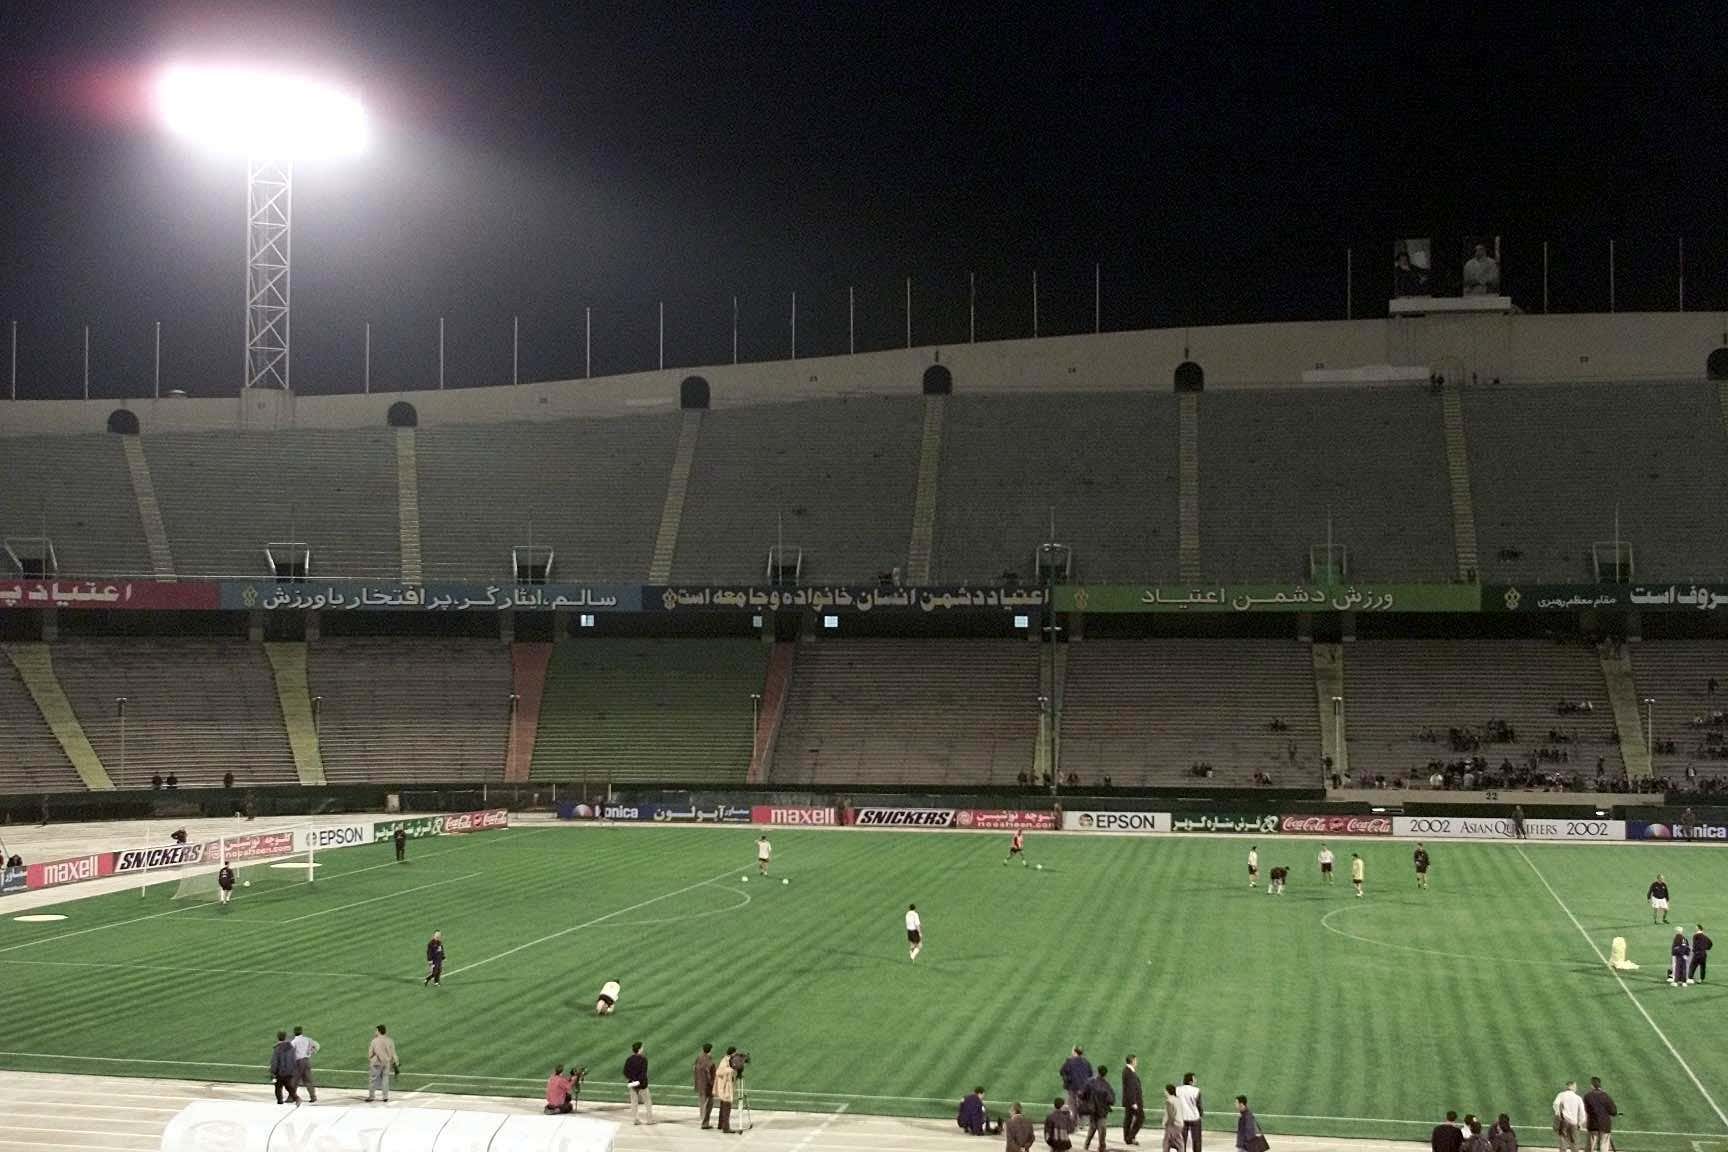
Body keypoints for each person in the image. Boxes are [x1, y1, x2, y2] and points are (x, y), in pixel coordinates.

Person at [1082, 1065, 1114, 1152]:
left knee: (1092, 1128)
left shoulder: (1090, 1082)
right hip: (1102, 1112)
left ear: (1098, 1072)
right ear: (1105, 1074)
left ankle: (1086, 1146)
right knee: (1102, 1131)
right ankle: (1101, 1148)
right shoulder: (1106, 1085)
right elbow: (1111, 1100)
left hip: (1092, 1110)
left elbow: (1083, 1094)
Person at [1582, 1077, 1616, 1152]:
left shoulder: (1588, 1096)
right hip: (1605, 1125)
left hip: (1593, 1125)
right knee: (1604, 1147)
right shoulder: (1606, 1096)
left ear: (1592, 1085)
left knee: (1590, 1147)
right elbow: (1613, 1112)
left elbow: (1586, 1110)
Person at [366, 1024, 397, 1103]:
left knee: (373, 1080)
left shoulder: (374, 1041)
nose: (375, 1032)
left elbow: (370, 1053)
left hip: (376, 1063)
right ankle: (385, 1097)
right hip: (387, 1063)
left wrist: (370, 1059)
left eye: (376, 1030)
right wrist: (395, 1062)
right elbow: (393, 1053)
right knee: (385, 1079)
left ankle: (371, 1096)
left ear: (379, 1031)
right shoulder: (390, 1040)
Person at [624, 1041, 654, 1124]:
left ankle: (635, 1120)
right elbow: (643, 1073)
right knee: (647, 1101)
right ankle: (649, 1120)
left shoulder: (629, 1059)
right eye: (642, 1047)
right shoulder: (643, 1059)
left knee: (634, 1102)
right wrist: (639, 1082)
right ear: (639, 1049)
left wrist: (633, 1080)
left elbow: (625, 1072)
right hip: (642, 1085)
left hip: (632, 1084)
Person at [1060, 1048, 1093, 1120]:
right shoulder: (1086, 1062)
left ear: (1075, 1053)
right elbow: (1090, 1074)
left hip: (1072, 1087)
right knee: (1082, 1105)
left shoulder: (1069, 1061)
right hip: (1083, 1087)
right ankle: (1082, 1123)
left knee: (1072, 1105)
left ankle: (1074, 1122)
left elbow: (1062, 1071)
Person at [1553, 1081, 1586, 1152]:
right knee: (1574, 1143)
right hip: (1574, 1123)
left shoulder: (1561, 1095)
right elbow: (1582, 1112)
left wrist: (1558, 1115)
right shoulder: (1578, 1098)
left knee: (1563, 1141)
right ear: (1572, 1087)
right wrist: (1580, 1123)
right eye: (1575, 1086)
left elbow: (1555, 1104)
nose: (1576, 1088)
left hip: (1564, 1122)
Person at [290, 1025, 319, 1104]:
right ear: (302, 1031)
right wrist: (311, 1052)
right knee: (308, 1080)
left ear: (294, 1032)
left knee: (294, 1080)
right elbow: (316, 1046)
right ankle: (313, 1096)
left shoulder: (294, 1042)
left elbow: (290, 1053)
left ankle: (291, 1097)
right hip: (307, 1061)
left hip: (298, 1062)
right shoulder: (307, 1039)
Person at [713, 1047, 739, 1134]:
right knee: (726, 1108)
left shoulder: (727, 1060)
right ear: (732, 1053)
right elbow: (719, 1072)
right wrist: (731, 1070)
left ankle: (721, 1124)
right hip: (725, 1089)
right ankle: (726, 1128)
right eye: (735, 1054)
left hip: (725, 1088)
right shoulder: (725, 1061)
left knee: (723, 1107)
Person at [1176, 1073, 1204, 1152]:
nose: (1196, 1081)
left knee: (1181, 1141)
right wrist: (1201, 1114)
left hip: (1182, 1118)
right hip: (1194, 1118)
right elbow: (1199, 1105)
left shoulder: (1177, 1090)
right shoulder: (1196, 1090)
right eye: (1194, 1079)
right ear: (1190, 1082)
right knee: (1197, 1140)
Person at [269, 1030, 299, 1105]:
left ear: (278, 1037)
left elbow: (274, 1062)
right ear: (285, 1037)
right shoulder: (291, 1047)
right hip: (289, 1071)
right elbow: (294, 1059)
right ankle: (296, 1098)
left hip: (280, 1072)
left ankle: (280, 1101)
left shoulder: (277, 1048)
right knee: (288, 1086)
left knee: (278, 1087)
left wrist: (273, 1072)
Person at [1121, 1056, 1144, 1146]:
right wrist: (1134, 1102)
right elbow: (1130, 1088)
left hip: (1130, 1100)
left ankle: (1129, 1138)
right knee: (1140, 1117)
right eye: (1135, 1060)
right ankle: (1130, 1137)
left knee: (1128, 1118)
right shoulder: (1129, 1072)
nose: (1137, 1062)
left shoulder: (1128, 1071)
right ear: (1132, 1061)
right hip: (1133, 1101)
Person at [694, 1043, 717, 1128]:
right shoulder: (709, 1061)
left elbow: (695, 1070)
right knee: (709, 1104)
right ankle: (705, 1122)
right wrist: (712, 1084)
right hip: (707, 1086)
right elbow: (710, 1075)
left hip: (700, 1084)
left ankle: (703, 1120)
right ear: (710, 1050)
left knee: (701, 1103)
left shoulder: (698, 1058)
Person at [1161, 1086, 1184, 1152]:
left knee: (1167, 1143)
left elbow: (1171, 1115)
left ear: (1168, 1091)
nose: (1164, 1092)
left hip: (1172, 1125)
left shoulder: (1169, 1101)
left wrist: (1168, 1124)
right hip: (1180, 1124)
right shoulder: (1178, 1099)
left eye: (1165, 1091)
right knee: (1178, 1142)